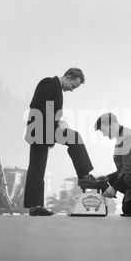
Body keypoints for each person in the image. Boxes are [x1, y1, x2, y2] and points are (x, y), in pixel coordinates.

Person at [24, 68, 98, 216]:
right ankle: (85, 176)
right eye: (73, 86)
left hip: (42, 129)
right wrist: (57, 122)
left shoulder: (55, 87)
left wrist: (57, 121)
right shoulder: (49, 83)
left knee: (37, 166)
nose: (71, 90)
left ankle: (35, 205)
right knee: (74, 138)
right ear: (68, 77)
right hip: (42, 127)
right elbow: (39, 106)